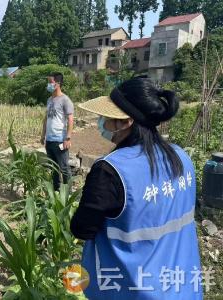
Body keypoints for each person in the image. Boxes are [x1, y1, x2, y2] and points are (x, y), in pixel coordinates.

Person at [71, 77, 202, 299]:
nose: (101, 121)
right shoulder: (181, 157)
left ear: (126, 122)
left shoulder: (110, 170)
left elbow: (82, 229)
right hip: (183, 286)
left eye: (107, 116)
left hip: (130, 290)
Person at [40, 72, 74, 191]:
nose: (48, 84)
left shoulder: (65, 100)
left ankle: (68, 195)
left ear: (57, 84)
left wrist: (68, 138)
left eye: (50, 82)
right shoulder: (50, 99)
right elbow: (46, 118)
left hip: (60, 139)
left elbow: (70, 119)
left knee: (64, 168)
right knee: (53, 168)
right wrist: (43, 134)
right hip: (49, 140)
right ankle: (56, 192)